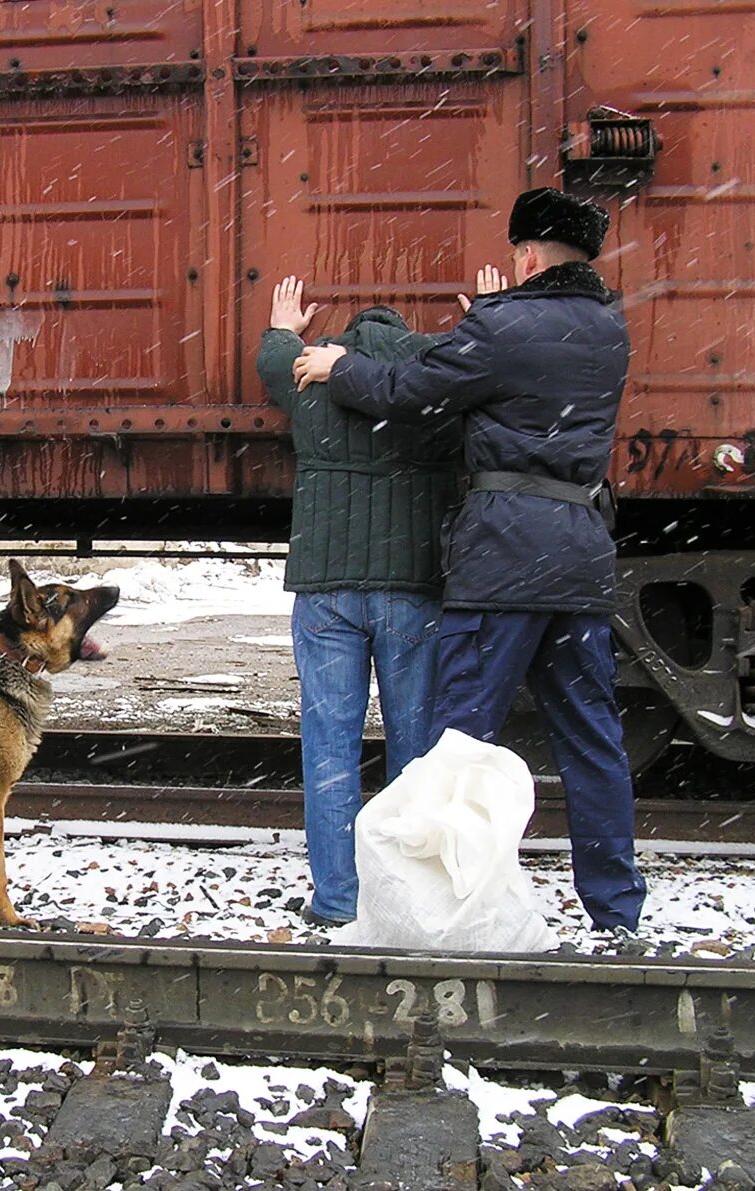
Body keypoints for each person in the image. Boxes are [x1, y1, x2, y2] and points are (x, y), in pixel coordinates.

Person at [292, 187, 647, 934]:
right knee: (591, 737)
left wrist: (334, 366)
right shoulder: (610, 330)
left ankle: (449, 902)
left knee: (456, 746)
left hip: (504, 560)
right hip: (581, 556)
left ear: (525, 256)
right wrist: (487, 321)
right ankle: (616, 909)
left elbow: (408, 390)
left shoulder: (504, 326)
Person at [257, 278, 464, 928]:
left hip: (326, 588)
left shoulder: (311, 372)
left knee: (329, 745)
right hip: (411, 588)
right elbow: (485, 378)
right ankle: (402, 892)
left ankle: (338, 898)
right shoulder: (432, 379)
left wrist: (282, 326)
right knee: (414, 748)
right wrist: (480, 323)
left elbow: (271, 363)